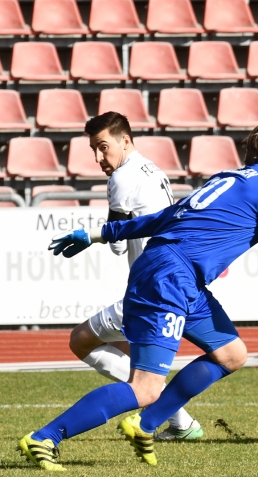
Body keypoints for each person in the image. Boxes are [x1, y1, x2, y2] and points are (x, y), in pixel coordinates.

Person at [19, 120, 258, 471]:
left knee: (231, 354)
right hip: (170, 278)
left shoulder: (230, 178)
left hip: (178, 275)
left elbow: (165, 218)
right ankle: (45, 437)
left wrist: (101, 234)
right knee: (146, 387)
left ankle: (145, 425)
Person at [66, 112, 203, 441]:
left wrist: (103, 236)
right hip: (173, 281)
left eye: (103, 147)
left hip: (151, 290)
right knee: (142, 355)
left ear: (125, 140)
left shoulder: (122, 177)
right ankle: (182, 424)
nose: (99, 158)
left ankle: (163, 412)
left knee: (81, 341)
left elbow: (115, 241)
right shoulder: (152, 168)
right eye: (93, 150)